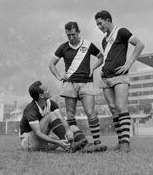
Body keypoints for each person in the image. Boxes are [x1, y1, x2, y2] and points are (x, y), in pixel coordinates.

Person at [49, 21, 107, 152]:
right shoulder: (63, 47)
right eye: (68, 35)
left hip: (86, 82)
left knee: (91, 113)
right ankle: (76, 142)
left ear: (78, 32)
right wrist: (59, 76)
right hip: (69, 84)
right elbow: (51, 64)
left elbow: (101, 57)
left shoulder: (87, 44)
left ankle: (97, 142)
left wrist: (93, 67)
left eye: (73, 34)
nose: (71, 37)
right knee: (70, 115)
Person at [94, 10, 145, 152]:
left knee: (121, 106)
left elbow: (140, 44)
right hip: (105, 78)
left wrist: (128, 64)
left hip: (119, 77)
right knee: (113, 109)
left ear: (108, 20)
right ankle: (120, 140)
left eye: (100, 23)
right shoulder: (104, 40)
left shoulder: (121, 31)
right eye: (97, 25)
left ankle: (125, 143)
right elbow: (106, 58)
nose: (99, 27)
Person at [19, 80, 89, 152]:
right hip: (28, 144)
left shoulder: (50, 103)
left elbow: (61, 118)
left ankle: (85, 146)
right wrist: (58, 142)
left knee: (72, 127)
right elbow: (38, 133)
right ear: (41, 96)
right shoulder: (31, 110)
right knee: (51, 115)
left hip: (42, 142)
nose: (49, 90)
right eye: (46, 90)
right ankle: (71, 146)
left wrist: (68, 130)